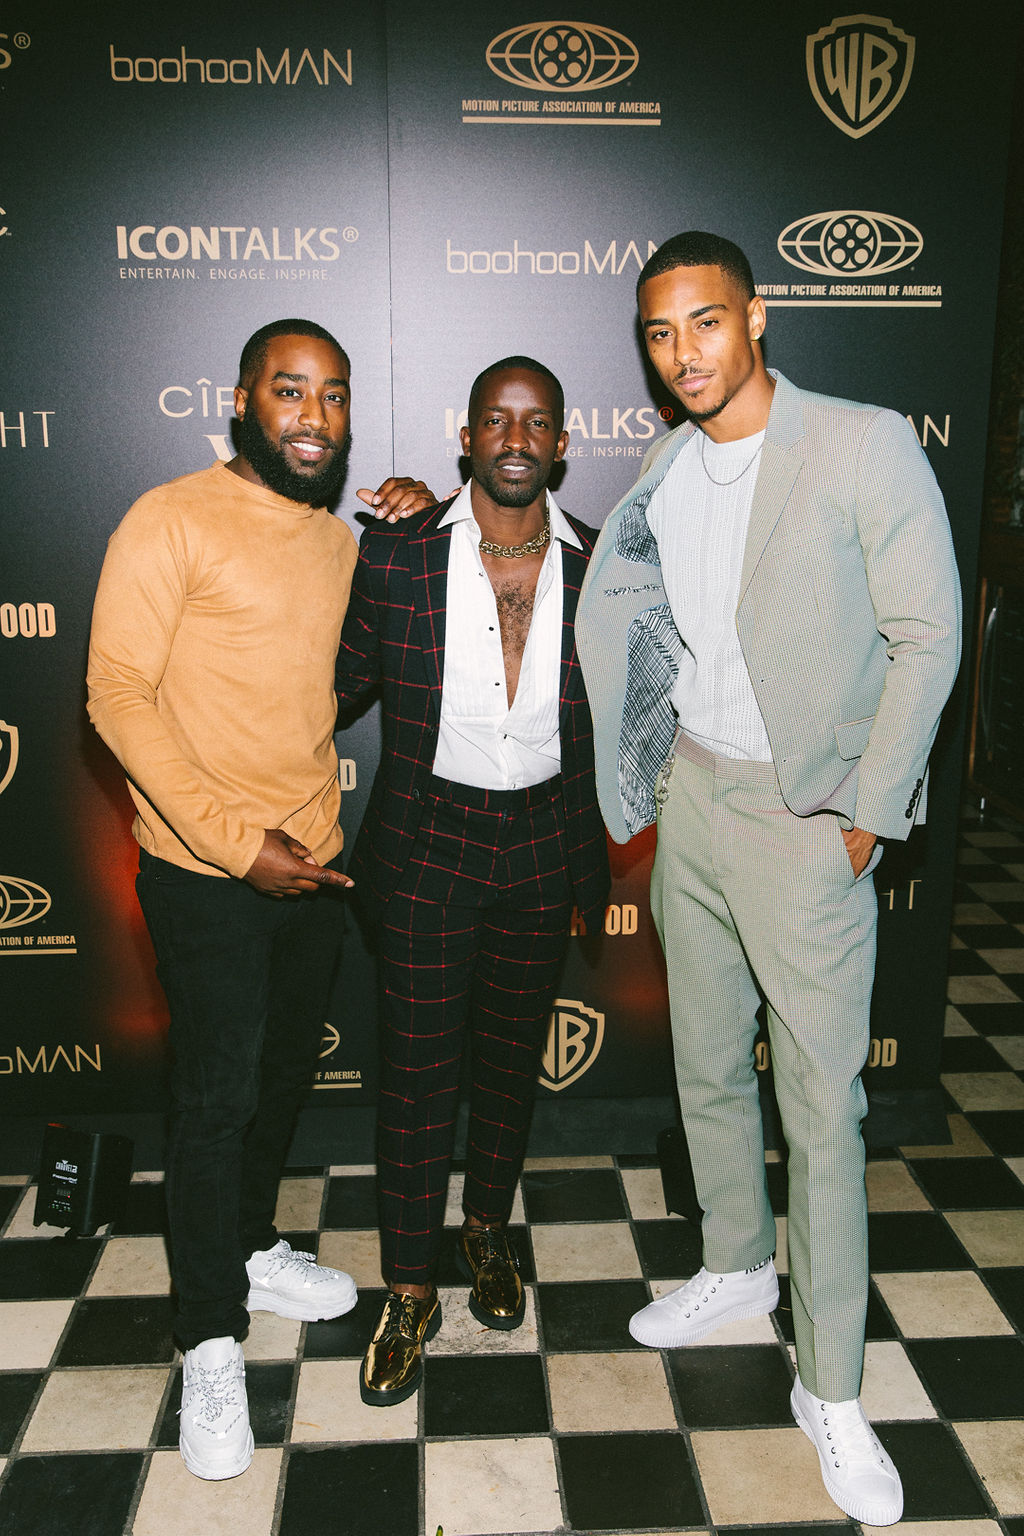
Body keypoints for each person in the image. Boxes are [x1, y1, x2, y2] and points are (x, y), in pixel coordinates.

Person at [575, 233, 961, 1527]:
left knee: (823, 1110)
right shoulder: (667, 464)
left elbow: (929, 635)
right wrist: (648, 777)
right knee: (703, 1062)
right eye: (659, 332)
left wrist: (868, 811)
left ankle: (833, 1386)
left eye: (704, 321)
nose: (682, 352)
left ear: (756, 317)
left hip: (806, 817)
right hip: (693, 798)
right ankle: (736, 1266)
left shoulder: (861, 443)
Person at [87, 318, 435, 1481]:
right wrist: (240, 849)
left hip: (313, 869)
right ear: (241, 401)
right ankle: (207, 1338)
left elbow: (344, 672)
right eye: (289, 391)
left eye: (333, 396)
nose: (314, 417)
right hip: (208, 875)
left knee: (281, 1077)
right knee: (214, 1101)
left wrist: (418, 520)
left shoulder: (338, 542)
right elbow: (115, 696)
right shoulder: (169, 518)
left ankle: (244, 1245)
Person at [335, 356, 609, 1407]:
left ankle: (486, 1230)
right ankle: (409, 1289)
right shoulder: (398, 554)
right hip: (428, 843)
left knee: (505, 1063)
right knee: (414, 1077)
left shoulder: (603, 565)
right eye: (497, 419)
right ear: (467, 437)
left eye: (536, 422)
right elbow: (331, 686)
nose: (515, 438)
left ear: (562, 444)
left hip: (546, 843)